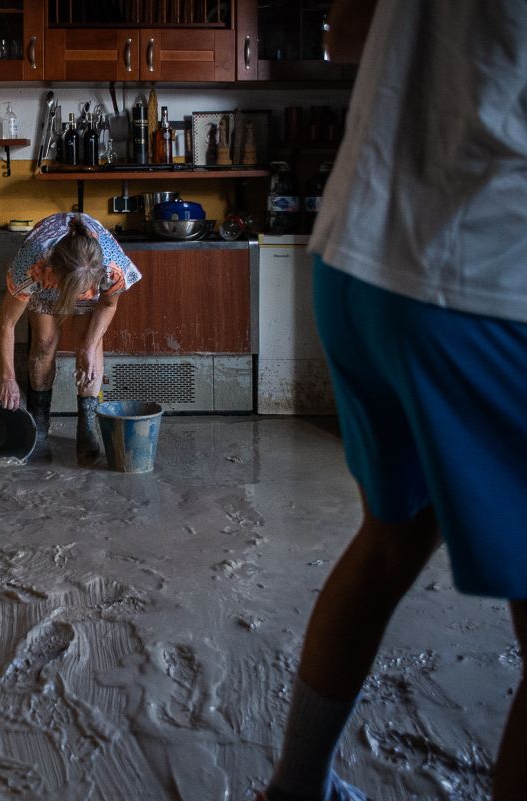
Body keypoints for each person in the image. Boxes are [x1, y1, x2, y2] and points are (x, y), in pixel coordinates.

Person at [258, 1, 527, 800]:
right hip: (480, 277)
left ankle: (296, 791)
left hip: (357, 261)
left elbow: (340, 22)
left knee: (388, 542)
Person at [0, 212, 141, 462]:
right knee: (44, 343)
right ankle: (39, 424)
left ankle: (87, 423)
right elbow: (6, 325)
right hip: (48, 286)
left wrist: (87, 347)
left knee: (90, 349)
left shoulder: (111, 267)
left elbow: (107, 306)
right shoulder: (34, 265)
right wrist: (7, 377)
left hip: (86, 286)